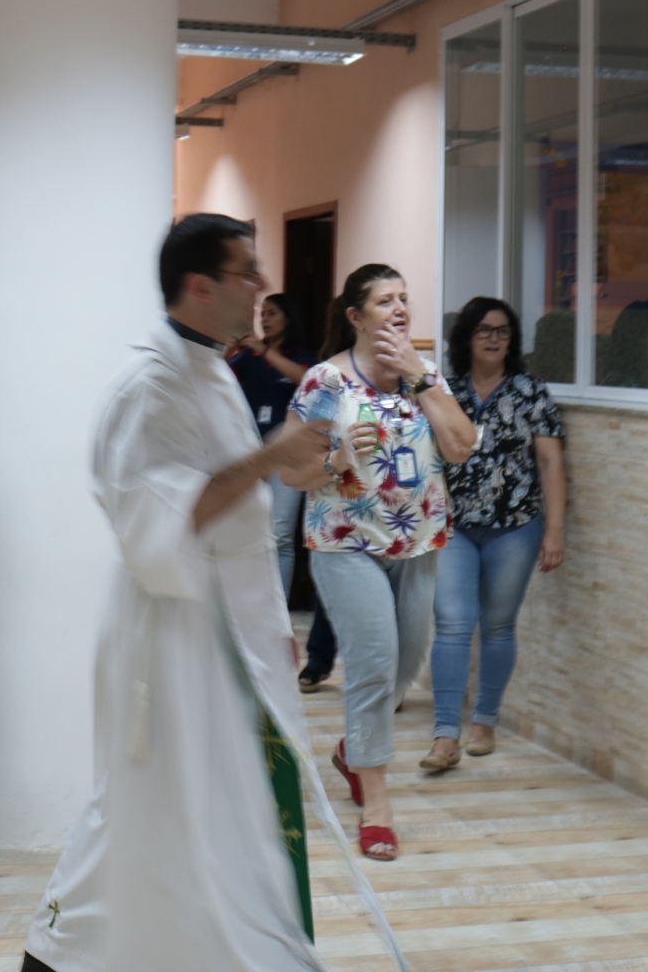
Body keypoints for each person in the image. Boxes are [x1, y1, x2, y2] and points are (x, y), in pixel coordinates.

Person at [25, 215, 401, 972]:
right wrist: (267, 458)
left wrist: (271, 625)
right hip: (173, 634)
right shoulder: (152, 383)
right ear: (200, 286)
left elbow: (237, 509)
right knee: (154, 807)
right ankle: (67, 948)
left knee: (215, 813)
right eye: (247, 272)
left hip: (224, 628)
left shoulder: (208, 367)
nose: (263, 286)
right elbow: (157, 515)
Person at [274, 263, 475, 861]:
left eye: (404, 298)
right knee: (374, 663)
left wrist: (421, 377)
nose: (399, 308)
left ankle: (354, 751)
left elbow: (461, 447)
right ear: (356, 316)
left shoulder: (424, 374)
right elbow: (290, 471)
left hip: (418, 543)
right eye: (385, 300)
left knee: (404, 667)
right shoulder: (325, 381)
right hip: (345, 543)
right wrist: (335, 459)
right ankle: (378, 805)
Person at [421, 298, 566, 772]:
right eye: (483, 329)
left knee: (499, 625)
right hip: (455, 526)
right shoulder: (444, 392)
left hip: (516, 526)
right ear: (467, 337)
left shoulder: (531, 392)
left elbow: (550, 462)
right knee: (452, 623)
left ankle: (484, 720)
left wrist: (555, 531)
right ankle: (445, 734)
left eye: (502, 331)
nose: (493, 338)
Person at [228, 293, 317, 596]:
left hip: (290, 455)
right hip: (250, 452)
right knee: (245, 528)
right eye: (262, 314)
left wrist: (265, 351)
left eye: (272, 313)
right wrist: (230, 348)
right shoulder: (247, 356)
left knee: (280, 533)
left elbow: (308, 381)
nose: (264, 319)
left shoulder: (302, 355)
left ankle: (279, 607)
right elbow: (217, 377)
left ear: (288, 318)